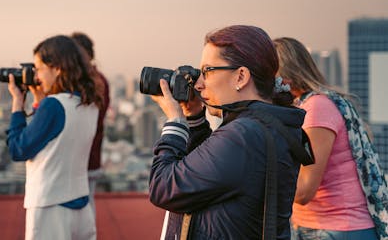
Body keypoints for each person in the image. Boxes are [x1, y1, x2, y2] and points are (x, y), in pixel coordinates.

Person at [149, 25, 308, 239]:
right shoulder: (264, 125)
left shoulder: (243, 135)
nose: (198, 85)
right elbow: (208, 174)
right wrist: (195, 117)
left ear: (241, 76)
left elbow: (163, 187)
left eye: (207, 72)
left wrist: (175, 122)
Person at [274, 37, 387, 240]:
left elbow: (304, 191)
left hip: (338, 230)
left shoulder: (317, 107)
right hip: (319, 228)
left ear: (284, 77)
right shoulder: (305, 106)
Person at [5, 35, 102, 240]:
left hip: (50, 208)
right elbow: (58, 138)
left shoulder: (54, 106)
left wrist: (17, 103)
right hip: (81, 207)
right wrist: (40, 101)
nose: (36, 75)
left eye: (39, 68)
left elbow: (18, 148)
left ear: (57, 68)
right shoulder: (90, 103)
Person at [71, 32, 111, 215]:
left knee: (84, 207)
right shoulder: (96, 79)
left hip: (86, 152)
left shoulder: (96, 81)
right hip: (83, 152)